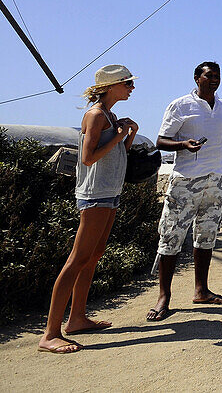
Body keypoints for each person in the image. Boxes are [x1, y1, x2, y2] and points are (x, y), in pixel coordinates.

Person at [38, 65, 138, 353]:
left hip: (109, 192)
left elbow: (118, 153)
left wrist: (128, 134)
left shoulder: (110, 115)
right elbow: (87, 158)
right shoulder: (95, 115)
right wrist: (119, 136)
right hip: (95, 195)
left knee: (93, 255)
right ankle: (50, 334)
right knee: (77, 259)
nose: (132, 87)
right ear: (111, 86)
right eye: (127, 83)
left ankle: (77, 319)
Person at [147, 61, 222, 321]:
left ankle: (201, 290)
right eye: (209, 76)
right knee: (171, 237)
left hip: (215, 180)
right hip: (186, 181)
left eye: (217, 76)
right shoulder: (180, 105)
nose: (214, 80)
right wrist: (183, 144)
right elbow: (161, 141)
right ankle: (164, 297)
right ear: (197, 78)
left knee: (206, 236)